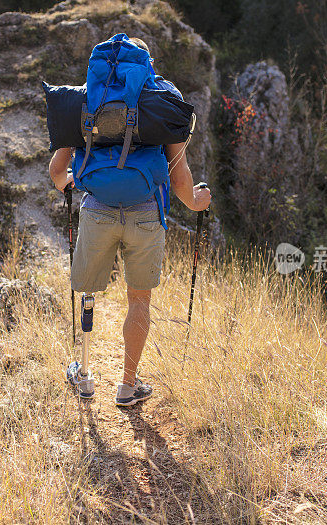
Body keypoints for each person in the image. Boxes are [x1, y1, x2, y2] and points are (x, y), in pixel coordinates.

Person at [48, 38, 211, 406]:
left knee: (88, 291)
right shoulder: (160, 98)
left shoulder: (89, 99)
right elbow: (180, 178)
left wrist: (70, 181)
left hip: (97, 207)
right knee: (139, 299)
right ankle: (127, 384)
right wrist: (199, 202)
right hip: (145, 209)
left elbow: (58, 171)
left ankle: (86, 376)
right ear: (145, 64)